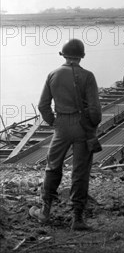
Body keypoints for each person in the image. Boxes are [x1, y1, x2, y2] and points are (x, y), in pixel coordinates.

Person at [30, 38, 102, 231]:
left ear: (63, 55)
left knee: (52, 166)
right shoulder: (88, 76)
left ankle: (45, 212)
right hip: (82, 127)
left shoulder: (52, 74)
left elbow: (43, 105)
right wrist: (92, 126)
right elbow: (95, 110)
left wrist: (55, 122)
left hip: (61, 125)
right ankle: (77, 218)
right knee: (80, 171)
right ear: (82, 56)